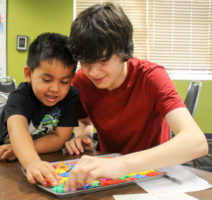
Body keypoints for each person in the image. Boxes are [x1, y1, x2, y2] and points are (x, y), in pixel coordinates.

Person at [63, 2, 209, 191]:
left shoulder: (151, 76)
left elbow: (196, 142)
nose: (93, 72)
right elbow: (84, 121)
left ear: (123, 51)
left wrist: (120, 165)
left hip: (154, 173)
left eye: (103, 60)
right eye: (85, 62)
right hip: (109, 174)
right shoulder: (82, 80)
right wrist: (83, 136)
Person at [0, 33, 79, 186]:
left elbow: (60, 138)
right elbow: (17, 130)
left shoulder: (71, 96)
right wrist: (30, 161)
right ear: (28, 74)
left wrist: (19, 150)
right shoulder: (19, 97)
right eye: (47, 80)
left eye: (64, 82)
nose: (55, 89)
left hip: (44, 159)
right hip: (6, 165)